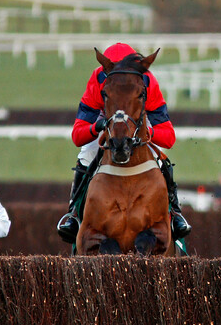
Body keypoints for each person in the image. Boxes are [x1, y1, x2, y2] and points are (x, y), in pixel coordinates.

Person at [56, 42, 191, 243]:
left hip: (136, 120)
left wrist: (147, 131)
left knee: (160, 157)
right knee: (87, 153)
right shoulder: (98, 78)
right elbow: (78, 136)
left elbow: (169, 137)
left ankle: (176, 214)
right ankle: (74, 214)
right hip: (106, 117)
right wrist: (98, 127)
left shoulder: (147, 81)